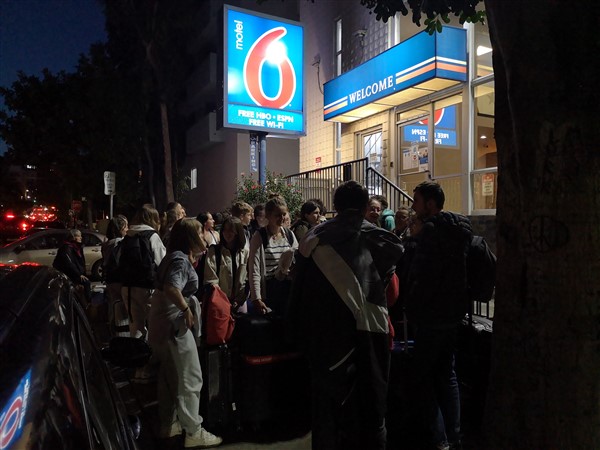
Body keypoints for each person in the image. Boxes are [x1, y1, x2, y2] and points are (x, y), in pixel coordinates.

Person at [289, 181, 404, 450]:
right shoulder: (384, 241)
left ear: (335, 207)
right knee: (372, 409)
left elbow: (299, 294)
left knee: (326, 413)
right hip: (371, 331)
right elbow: (391, 291)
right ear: (365, 207)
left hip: (324, 337)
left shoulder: (312, 240)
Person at [406, 181, 473, 450]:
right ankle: (455, 436)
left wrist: (413, 307)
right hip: (453, 314)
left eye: (417, 201)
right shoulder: (460, 229)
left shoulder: (430, 233)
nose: (413, 206)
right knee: (448, 375)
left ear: (430, 204)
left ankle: (439, 439)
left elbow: (422, 277)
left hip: (431, 316)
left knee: (422, 378)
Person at [148, 218, 223, 448]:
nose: (205, 235)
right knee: (190, 377)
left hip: (160, 323)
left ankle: (169, 425)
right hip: (174, 324)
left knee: (168, 376)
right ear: (190, 237)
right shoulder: (180, 260)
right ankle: (193, 431)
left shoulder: (174, 256)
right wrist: (185, 309)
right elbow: (172, 287)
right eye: (201, 232)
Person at [121, 204, 166, 340]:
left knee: (136, 326)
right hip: (147, 287)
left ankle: (136, 351)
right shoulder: (152, 236)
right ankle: (153, 351)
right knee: (155, 325)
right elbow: (161, 262)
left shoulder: (128, 236)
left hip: (128, 287)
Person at [248, 196, 298, 315]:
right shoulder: (259, 236)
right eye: (277, 215)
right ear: (268, 216)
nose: (282, 218)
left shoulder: (289, 235)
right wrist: (256, 298)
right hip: (270, 290)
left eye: (284, 214)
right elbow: (254, 269)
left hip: (287, 288)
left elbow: (297, 258)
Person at [204, 217, 249, 313]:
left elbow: (247, 279)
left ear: (238, 232)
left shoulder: (245, 253)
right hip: (219, 302)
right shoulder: (214, 251)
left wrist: (239, 300)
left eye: (231, 230)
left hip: (239, 303)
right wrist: (222, 300)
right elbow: (211, 279)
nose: (227, 233)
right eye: (225, 230)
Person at [102, 215, 129, 336]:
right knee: (121, 308)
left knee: (112, 306)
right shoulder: (119, 243)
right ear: (120, 228)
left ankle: (112, 332)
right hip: (118, 279)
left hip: (109, 279)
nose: (127, 229)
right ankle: (120, 334)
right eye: (126, 226)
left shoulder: (107, 243)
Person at [53, 228, 92, 303]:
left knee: (85, 283)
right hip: (68, 274)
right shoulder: (66, 248)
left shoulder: (77, 247)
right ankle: (89, 303)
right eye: (79, 236)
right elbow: (69, 263)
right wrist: (79, 274)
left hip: (74, 273)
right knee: (87, 283)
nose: (81, 238)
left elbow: (80, 262)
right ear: (73, 237)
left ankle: (83, 302)